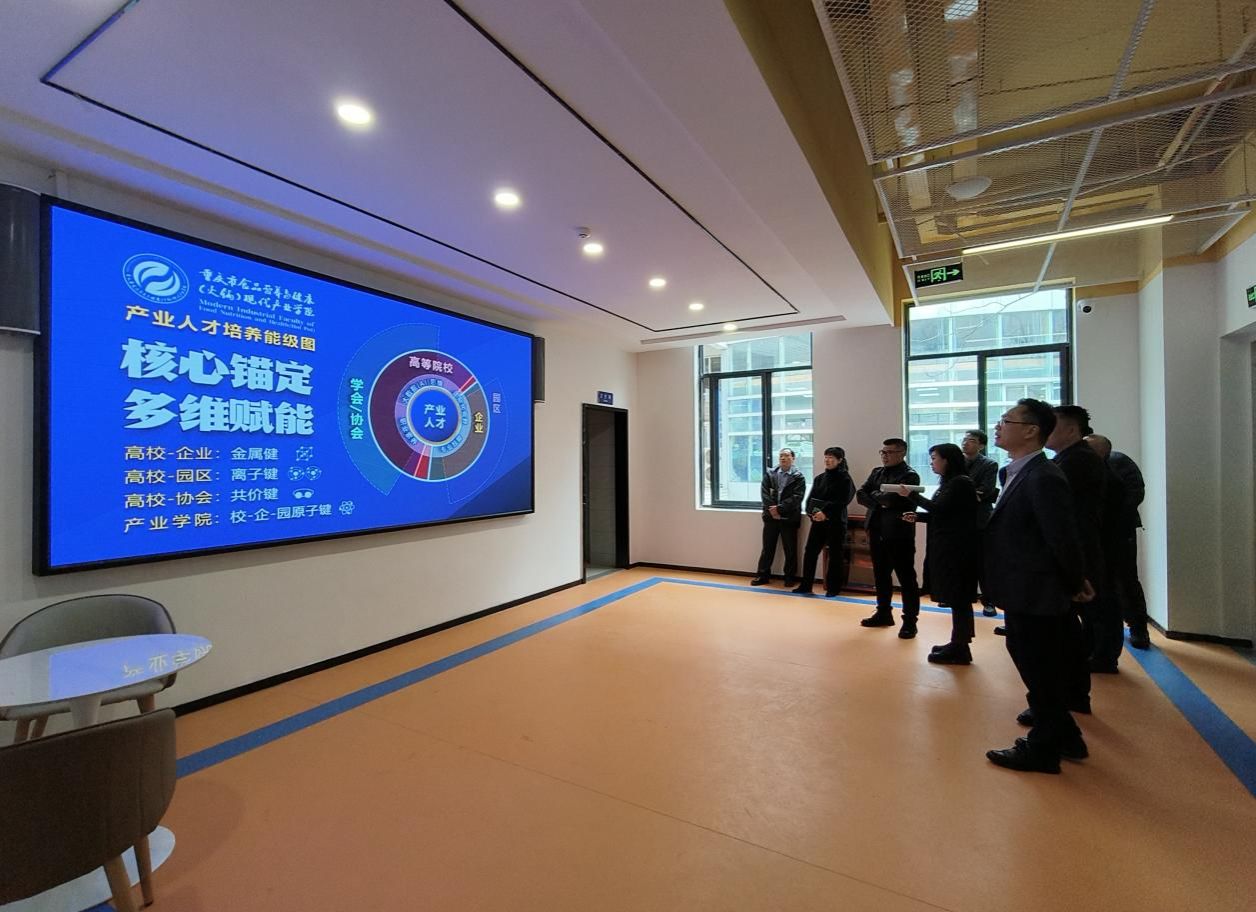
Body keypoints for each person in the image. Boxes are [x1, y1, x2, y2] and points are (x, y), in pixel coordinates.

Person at [984, 398, 1093, 774]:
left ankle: (1043, 749)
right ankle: (1067, 736)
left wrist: (1075, 581)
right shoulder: (1019, 472)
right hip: (1023, 585)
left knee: (1038, 664)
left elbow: (1062, 536)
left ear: (1031, 431)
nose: (998, 426)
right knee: (1033, 659)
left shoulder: (1043, 476)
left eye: (1006, 420)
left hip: (1036, 588)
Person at [1046, 405, 1105, 710]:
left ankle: (1070, 696)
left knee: (1066, 631)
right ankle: (1069, 695)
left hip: (1073, 555)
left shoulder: (1077, 461)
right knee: (1066, 630)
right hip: (1073, 554)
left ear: (1070, 429)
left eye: (1052, 425)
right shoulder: (1067, 459)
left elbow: (1063, 518)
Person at [899, 443, 979, 664]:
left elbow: (941, 510)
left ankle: (961, 646)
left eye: (935, 458)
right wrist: (919, 516)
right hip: (948, 545)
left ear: (947, 460)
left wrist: (912, 496)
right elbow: (944, 513)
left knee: (959, 597)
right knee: (956, 598)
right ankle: (958, 642)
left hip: (957, 549)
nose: (932, 463)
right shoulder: (950, 483)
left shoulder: (960, 483)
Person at [1086, 435, 1151, 650]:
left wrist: (1109, 519)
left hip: (1120, 533)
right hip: (1094, 534)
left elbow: (1134, 495)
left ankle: (1138, 628)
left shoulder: (1120, 463)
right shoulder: (1083, 467)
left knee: (1126, 580)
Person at [855, 438, 921, 637]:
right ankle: (883, 612)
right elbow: (860, 494)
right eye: (883, 452)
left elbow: (891, 500)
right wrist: (879, 499)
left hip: (898, 533)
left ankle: (910, 621)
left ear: (902, 453)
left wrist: (876, 497)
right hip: (876, 530)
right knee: (881, 575)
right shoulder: (877, 472)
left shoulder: (909, 475)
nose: (885, 455)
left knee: (906, 578)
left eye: (890, 452)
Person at [1083, 434, 1132, 672]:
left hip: (1105, 551)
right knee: (1095, 607)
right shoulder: (1099, 477)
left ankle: (1105, 656)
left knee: (1104, 604)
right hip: (1100, 551)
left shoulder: (1109, 480)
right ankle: (1095, 650)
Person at [794, 447, 856, 596]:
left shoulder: (845, 479)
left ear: (839, 460)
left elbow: (843, 501)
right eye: (826, 457)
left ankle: (833, 588)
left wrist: (825, 512)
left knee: (835, 554)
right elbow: (811, 499)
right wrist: (811, 513)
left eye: (831, 458)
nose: (827, 460)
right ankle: (806, 585)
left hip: (836, 522)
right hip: (818, 521)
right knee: (810, 552)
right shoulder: (820, 478)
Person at [750, 448, 806, 587]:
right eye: (781, 455)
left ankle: (789, 577)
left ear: (793, 458)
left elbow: (797, 498)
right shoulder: (770, 474)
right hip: (771, 517)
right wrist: (772, 510)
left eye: (786, 455)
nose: (783, 458)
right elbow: (765, 494)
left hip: (789, 518)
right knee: (767, 548)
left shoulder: (799, 477)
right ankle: (762, 575)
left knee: (790, 549)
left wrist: (779, 509)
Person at [961, 429, 1000, 617]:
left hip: (979, 519)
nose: (966, 443)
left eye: (971, 440)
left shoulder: (989, 464)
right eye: (964, 439)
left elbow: (986, 491)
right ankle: (963, 597)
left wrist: (960, 493)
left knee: (983, 563)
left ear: (981, 445)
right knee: (962, 562)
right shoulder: (957, 462)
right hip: (959, 519)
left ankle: (989, 600)